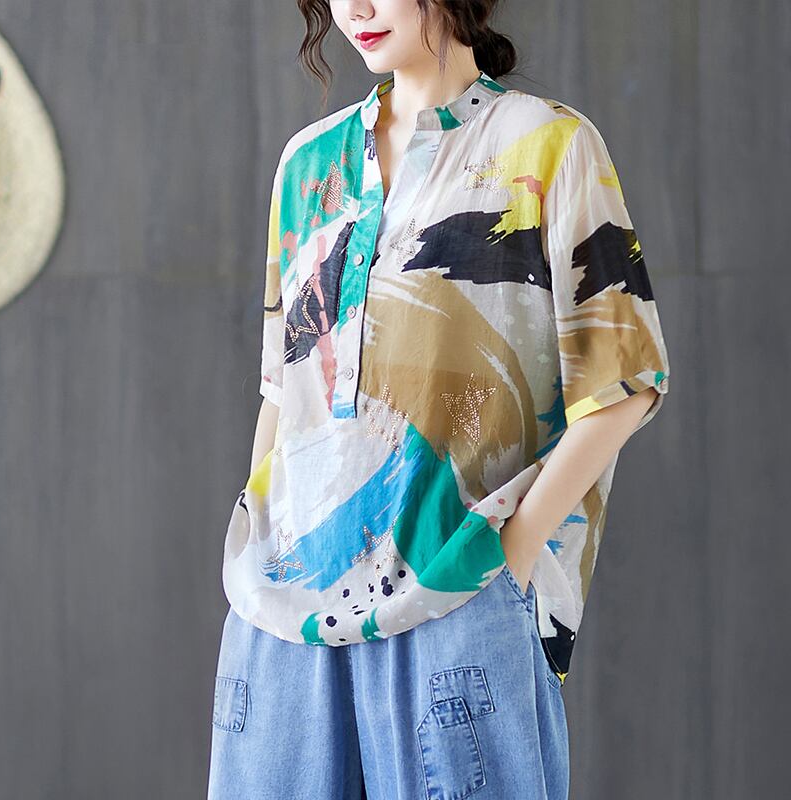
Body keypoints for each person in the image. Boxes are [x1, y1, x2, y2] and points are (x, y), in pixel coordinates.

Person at [207, 1, 671, 798]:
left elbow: (625, 380)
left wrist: (507, 557)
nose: (356, 9)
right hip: (280, 618)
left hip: (457, 594)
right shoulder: (308, 164)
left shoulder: (548, 144)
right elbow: (284, 388)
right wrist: (256, 541)